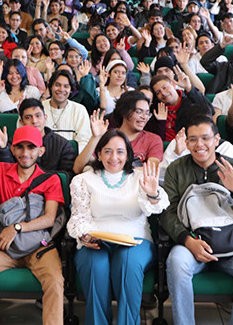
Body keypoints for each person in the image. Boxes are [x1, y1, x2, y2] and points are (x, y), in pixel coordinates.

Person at [161, 115, 233, 325]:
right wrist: (187, 240)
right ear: (186, 143)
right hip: (192, 243)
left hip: (231, 243)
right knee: (176, 261)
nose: (199, 144)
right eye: (193, 139)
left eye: (205, 138)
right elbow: (167, 213)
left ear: (217, 140)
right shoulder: (176, 169)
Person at [0, 126, 65, 325]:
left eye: (31, 147)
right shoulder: (0, 169)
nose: (25, 153)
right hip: (6, 247)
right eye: (20, 147)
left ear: (41, 151)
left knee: (55, 281)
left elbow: (49, 218)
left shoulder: (50, 179)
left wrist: (17, 228)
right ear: (12, 149)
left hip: (38, 247)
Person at [67, 131, 168, 325]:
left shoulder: (140, 177)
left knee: (127, 263)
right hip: (95, 239)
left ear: (128, 155)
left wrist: (152, 193)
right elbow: (79, 217)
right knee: (95, 265)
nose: (114, 157)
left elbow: (157, 207)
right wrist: (84, 236)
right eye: (108, 151)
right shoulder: (83, 180)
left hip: (136, 240)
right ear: (99, 154)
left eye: (120, 152)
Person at [15, 98, 77, 174]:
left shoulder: (62, 145)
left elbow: (66, 175)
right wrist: (4, 149)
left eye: (38, 116)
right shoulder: (15, 144)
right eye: (28, 117)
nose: (34, 121)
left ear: (45, 117)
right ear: (21, 122)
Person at [147, 73, 212, 141]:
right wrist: (161, 122)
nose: (163, 93)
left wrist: (189, 88)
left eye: (165, 87)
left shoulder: (191, 101)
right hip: (165, 146)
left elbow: (210, 110)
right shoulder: (157, 110)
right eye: (158, 92)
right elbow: (156, 140)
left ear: (173, 84)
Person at [43, 69, 92, 152]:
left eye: (66, 86)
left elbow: (84, 141)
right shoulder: (40, 107)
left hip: (71, 156)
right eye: (57, 85)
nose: (61, 89)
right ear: (50, 87)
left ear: (71, 89)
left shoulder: (79, 110)